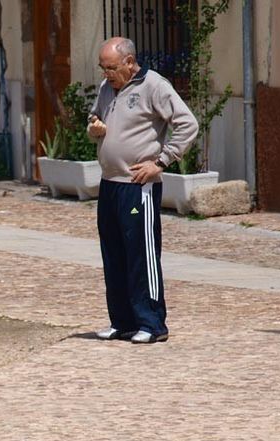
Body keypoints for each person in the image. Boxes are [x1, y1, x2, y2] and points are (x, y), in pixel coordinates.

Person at [87, 37, 198, 344]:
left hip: (139, 187)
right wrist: (94, 127)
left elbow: (187, 124)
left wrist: (161, 161)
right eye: (103, 68)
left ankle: (151, 323)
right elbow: (94, 117)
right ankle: (121, 321)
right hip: (110, 183)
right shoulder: (106, 87)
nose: (107, 73)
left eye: (111, 68)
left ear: (130, 62)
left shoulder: (154, 85)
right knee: (113, 254)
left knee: (141, 255)